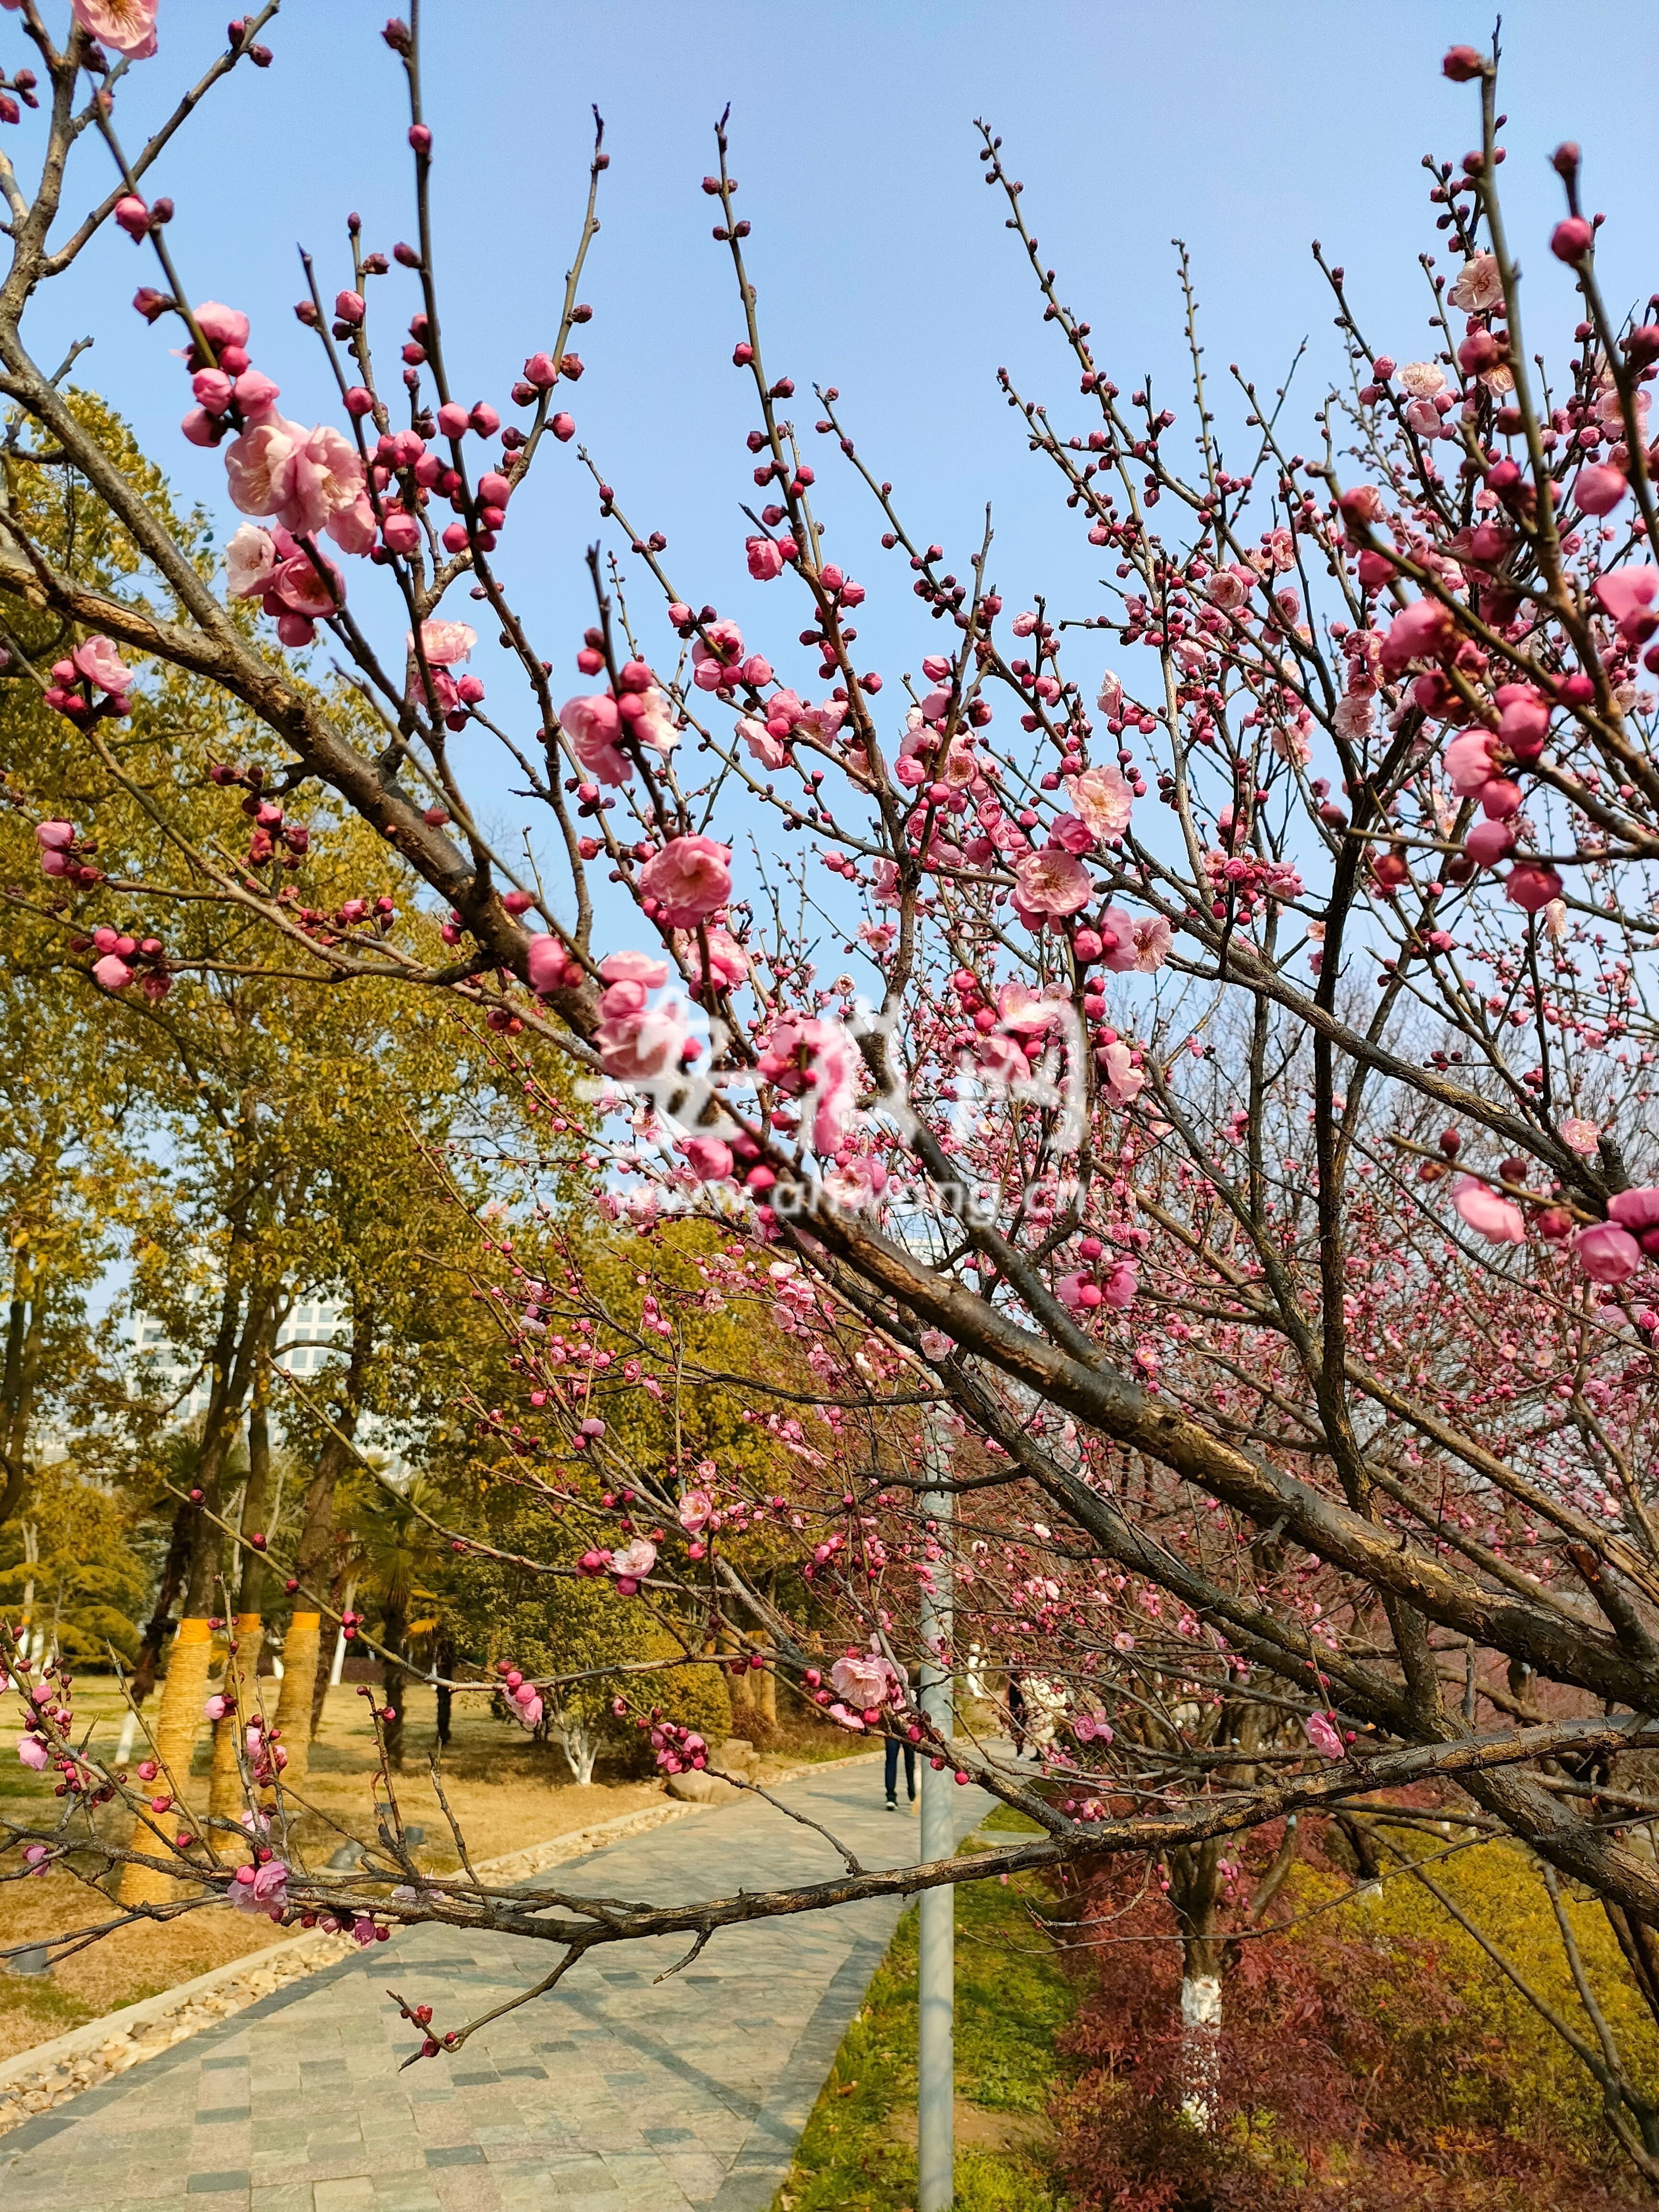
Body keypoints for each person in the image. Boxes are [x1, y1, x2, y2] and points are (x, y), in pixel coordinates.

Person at [885, 1728, 917, 1811]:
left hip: (893, 1727)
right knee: (910, 1762)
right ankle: (912, 1795)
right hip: (908, 1726)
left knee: (891, 1761)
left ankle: (891, 1798)